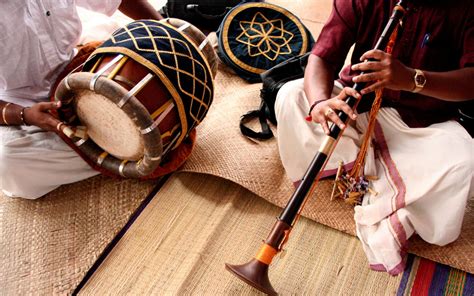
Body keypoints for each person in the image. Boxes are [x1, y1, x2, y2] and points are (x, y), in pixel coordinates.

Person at [275, 0, 473, 275]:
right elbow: (322, 57)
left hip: (420, 125)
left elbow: (471, 80)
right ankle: (379, 180)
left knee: (464, 160)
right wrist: (320, 103)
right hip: (355, 107)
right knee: (290, 97)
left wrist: (411, 79)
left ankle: (367, 177)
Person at [0, 0, 163, 199]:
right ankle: (124, 147)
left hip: (81, 71)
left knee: (146, 76)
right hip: (24, 106)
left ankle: (108, 145)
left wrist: (167, 30)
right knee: (7, 163)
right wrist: (24, 115)